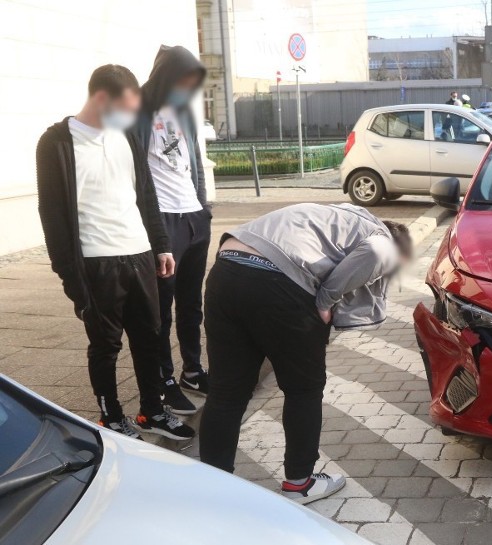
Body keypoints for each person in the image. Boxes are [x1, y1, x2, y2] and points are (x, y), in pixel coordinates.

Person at [199, 203, 413, 504]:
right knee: (304, 389)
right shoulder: (382, 239)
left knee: (225, 393)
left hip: (225, 271)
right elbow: (378, 254)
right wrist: (326, 300)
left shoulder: (337, 217)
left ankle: (210, 489)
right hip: (278, 283)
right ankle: (300, 484)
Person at [36, 65, 195, 441]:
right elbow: (52, 213)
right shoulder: (57, 143)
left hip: (138, 254)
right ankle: (111, 417)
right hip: (95, 262)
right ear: (102, 99)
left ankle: (152, 412)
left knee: (151, 337)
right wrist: (68, 275)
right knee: (106, 345)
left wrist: (160, 245)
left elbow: (146, 195)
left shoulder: (126, 136)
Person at [134, 45, 210, 416]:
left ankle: (192, 371)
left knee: (192, 304)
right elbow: (136, 173)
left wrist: (204, 209)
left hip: (194, 217)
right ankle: (164, 383)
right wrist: (150, 227)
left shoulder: (184, 113)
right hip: (162, 221)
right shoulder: (137, 113)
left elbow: (194, 165)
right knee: (160, 310)